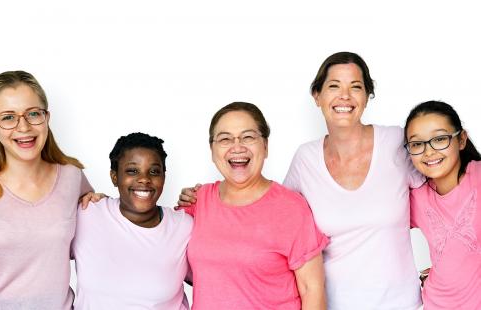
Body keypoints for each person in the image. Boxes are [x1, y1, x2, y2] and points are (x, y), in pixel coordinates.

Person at [179, 52, 424, 309]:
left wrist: (449, 267)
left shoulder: (396, 143)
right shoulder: (306, 159)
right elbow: (262, 220)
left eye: (356, 87)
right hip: (337, 303)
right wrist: (198, 199)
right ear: (316, 96)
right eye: (333, 86)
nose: (345, 96)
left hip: (399, 303)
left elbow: (442, 199)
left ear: (367, 96)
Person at [181, 102, 328, 309]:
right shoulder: (197, 202)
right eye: (224, 139)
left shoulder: (292, 208)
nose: (237, 147)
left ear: (265, 146)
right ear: (212, 150)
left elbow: (312, 290)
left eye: (248, 137)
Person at [0, 71, 93, 309]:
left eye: (33, 114)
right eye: (8, 117)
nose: (24, 127)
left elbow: (101, 229)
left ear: (47, 117)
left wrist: (191, 204)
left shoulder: (72, 177)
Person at [72, 132, 193, 309]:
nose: (144, 179)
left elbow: (214, 277)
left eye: (154, 171)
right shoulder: (87, 214)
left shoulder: (184, 226)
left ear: (164, 177)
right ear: (114, 177)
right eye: (132, 171)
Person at [404, 100, 481, 309]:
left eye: (439, 139)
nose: (428, 152)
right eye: (417, 144)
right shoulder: (416, 197)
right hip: (436, 304)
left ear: (461, 139)